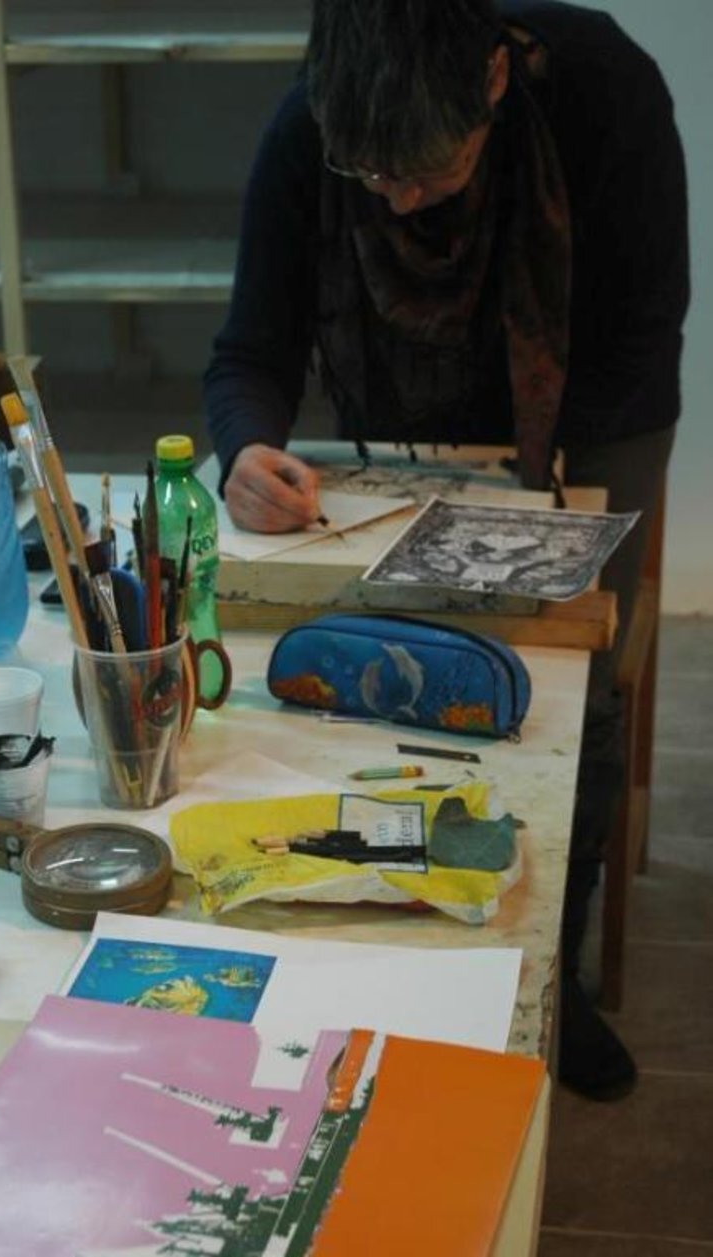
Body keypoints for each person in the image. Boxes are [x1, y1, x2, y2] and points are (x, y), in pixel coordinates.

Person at [204, 0, 690, 1100]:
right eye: (369, 176)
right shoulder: (310, 130)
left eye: (426, 174)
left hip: (586, 420)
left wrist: (533, 505)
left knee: (570, 683)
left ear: (494, 83)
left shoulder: (605, 95)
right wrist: (246, 448)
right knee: (382, 667)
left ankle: (548, 962)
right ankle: (403, 914)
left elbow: (640, 337)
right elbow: (249, 351)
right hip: (396, 433)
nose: (396, 199)